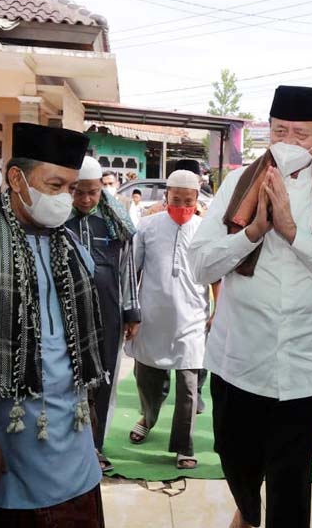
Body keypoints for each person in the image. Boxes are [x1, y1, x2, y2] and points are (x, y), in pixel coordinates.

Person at [189, 85, 312, 528]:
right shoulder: (237, 183)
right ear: (267, 130)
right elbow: (199, 263)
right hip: (240, 361)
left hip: (307, 369)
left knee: (291, 481)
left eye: (301, 134)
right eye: (279, 130)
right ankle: (248, 510)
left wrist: (293, 233)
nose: (288, 142)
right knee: (235, 457)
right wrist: (251, 234)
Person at [0, 123, 108, 528]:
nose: (64, 200)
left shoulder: (71, 250)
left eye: (70, 189)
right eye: (54, 185)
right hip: (4, 446)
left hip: (73, 446)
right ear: (15, 179)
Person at [126, 169, 210, 470]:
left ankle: (183, 446)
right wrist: (130, 312)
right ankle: (147, 418)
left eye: (188, 200)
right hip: (151, 317)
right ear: (166, 197)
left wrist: (218, 309)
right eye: (177, 199)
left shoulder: (205, 229)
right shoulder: (147, 227)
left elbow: (215, 274)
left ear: (197, 198)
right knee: (147, 379)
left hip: (191, 317)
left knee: (188, 385)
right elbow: (131, 272)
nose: (182, 205)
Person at [66, 156, 141, 474]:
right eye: (79, 192)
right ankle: (71, 446)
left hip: (109, 313)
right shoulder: (60, 222)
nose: (85, 199)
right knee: (71, 378)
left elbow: (127, 271)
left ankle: (95, 447)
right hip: (69, 312)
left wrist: (131, 313)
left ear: (102, 191)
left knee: (104, 380)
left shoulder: (114, 223)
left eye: (92, 193)